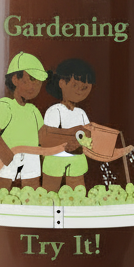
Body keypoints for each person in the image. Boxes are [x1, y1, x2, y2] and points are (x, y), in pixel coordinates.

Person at [0, 51, 65, 191]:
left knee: (32, 187)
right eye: (32, 79)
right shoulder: (5, 106)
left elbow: (43, 135)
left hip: (31, 156)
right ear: (15, 79)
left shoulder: (33, 111)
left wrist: (66, 141)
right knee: (2, 186)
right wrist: (5, 154)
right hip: (8, 154)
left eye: (39, 82)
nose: (35, 86)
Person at [41, 58, 96, 193]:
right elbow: (48, 138)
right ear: (61, 83)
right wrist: (70, 138)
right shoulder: (54, 111)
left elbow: (88, 135)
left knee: (77, 192)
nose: (79, 91)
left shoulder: (81, 113)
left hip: (77, 159)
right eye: (75, 85)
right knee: (50, 192)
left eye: (84, 88)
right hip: (55, 158)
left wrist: (88, 137)